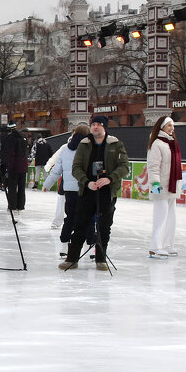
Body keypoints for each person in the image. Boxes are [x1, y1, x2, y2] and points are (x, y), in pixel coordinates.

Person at [59, 115, 129, 272]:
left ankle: (101, 259)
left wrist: (110, 179)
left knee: (104, 226)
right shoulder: (84, 144)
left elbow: (124, 166)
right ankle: (72, 259)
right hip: (87, 191)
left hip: (106, 192)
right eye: (93, 124)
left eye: (99, 124)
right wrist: (86, 182)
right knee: (80, 225)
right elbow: (76, 168)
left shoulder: (115, 144)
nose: (95, 127)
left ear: (104, 127)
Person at [43, 124, 90, 248]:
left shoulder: (65, 149)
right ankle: (90, 245)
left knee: (70, 217)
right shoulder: (89, 148)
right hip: (85, 188)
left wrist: (47, 185)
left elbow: (56, 170)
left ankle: (64, 243)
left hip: (69, 189)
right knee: (88, 217)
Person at [146, 116, 181, 259]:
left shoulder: (172, 143)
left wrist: (181, 181)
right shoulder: (157, 144)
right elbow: (153, 167)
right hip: (161, 186)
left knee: (172, 217)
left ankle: (167, 244)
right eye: (169, 126)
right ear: (161, 128)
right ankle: (155, 246)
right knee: (161, 216)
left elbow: (175, 165)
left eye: (173, 126)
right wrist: (155, 183)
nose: (172, 129)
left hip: (172, 186)